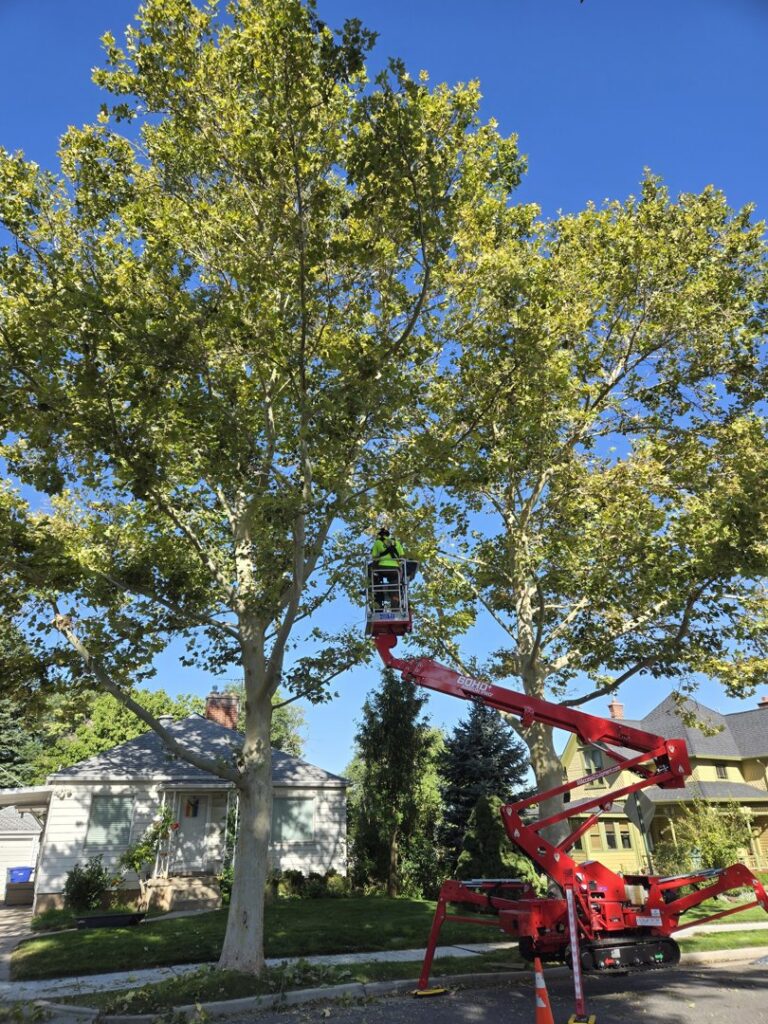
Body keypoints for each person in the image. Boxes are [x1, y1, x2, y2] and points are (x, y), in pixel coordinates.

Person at [370, 527, 405, 610]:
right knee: (395, 587)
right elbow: (401, 555)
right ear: (388, 535)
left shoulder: (378, 542)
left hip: (382, 568)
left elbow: (374, 556)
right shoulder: (396, 542)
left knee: (375, 578)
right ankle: (395, 606)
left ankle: (377, 600)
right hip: (395, 570)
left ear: (380, 535)